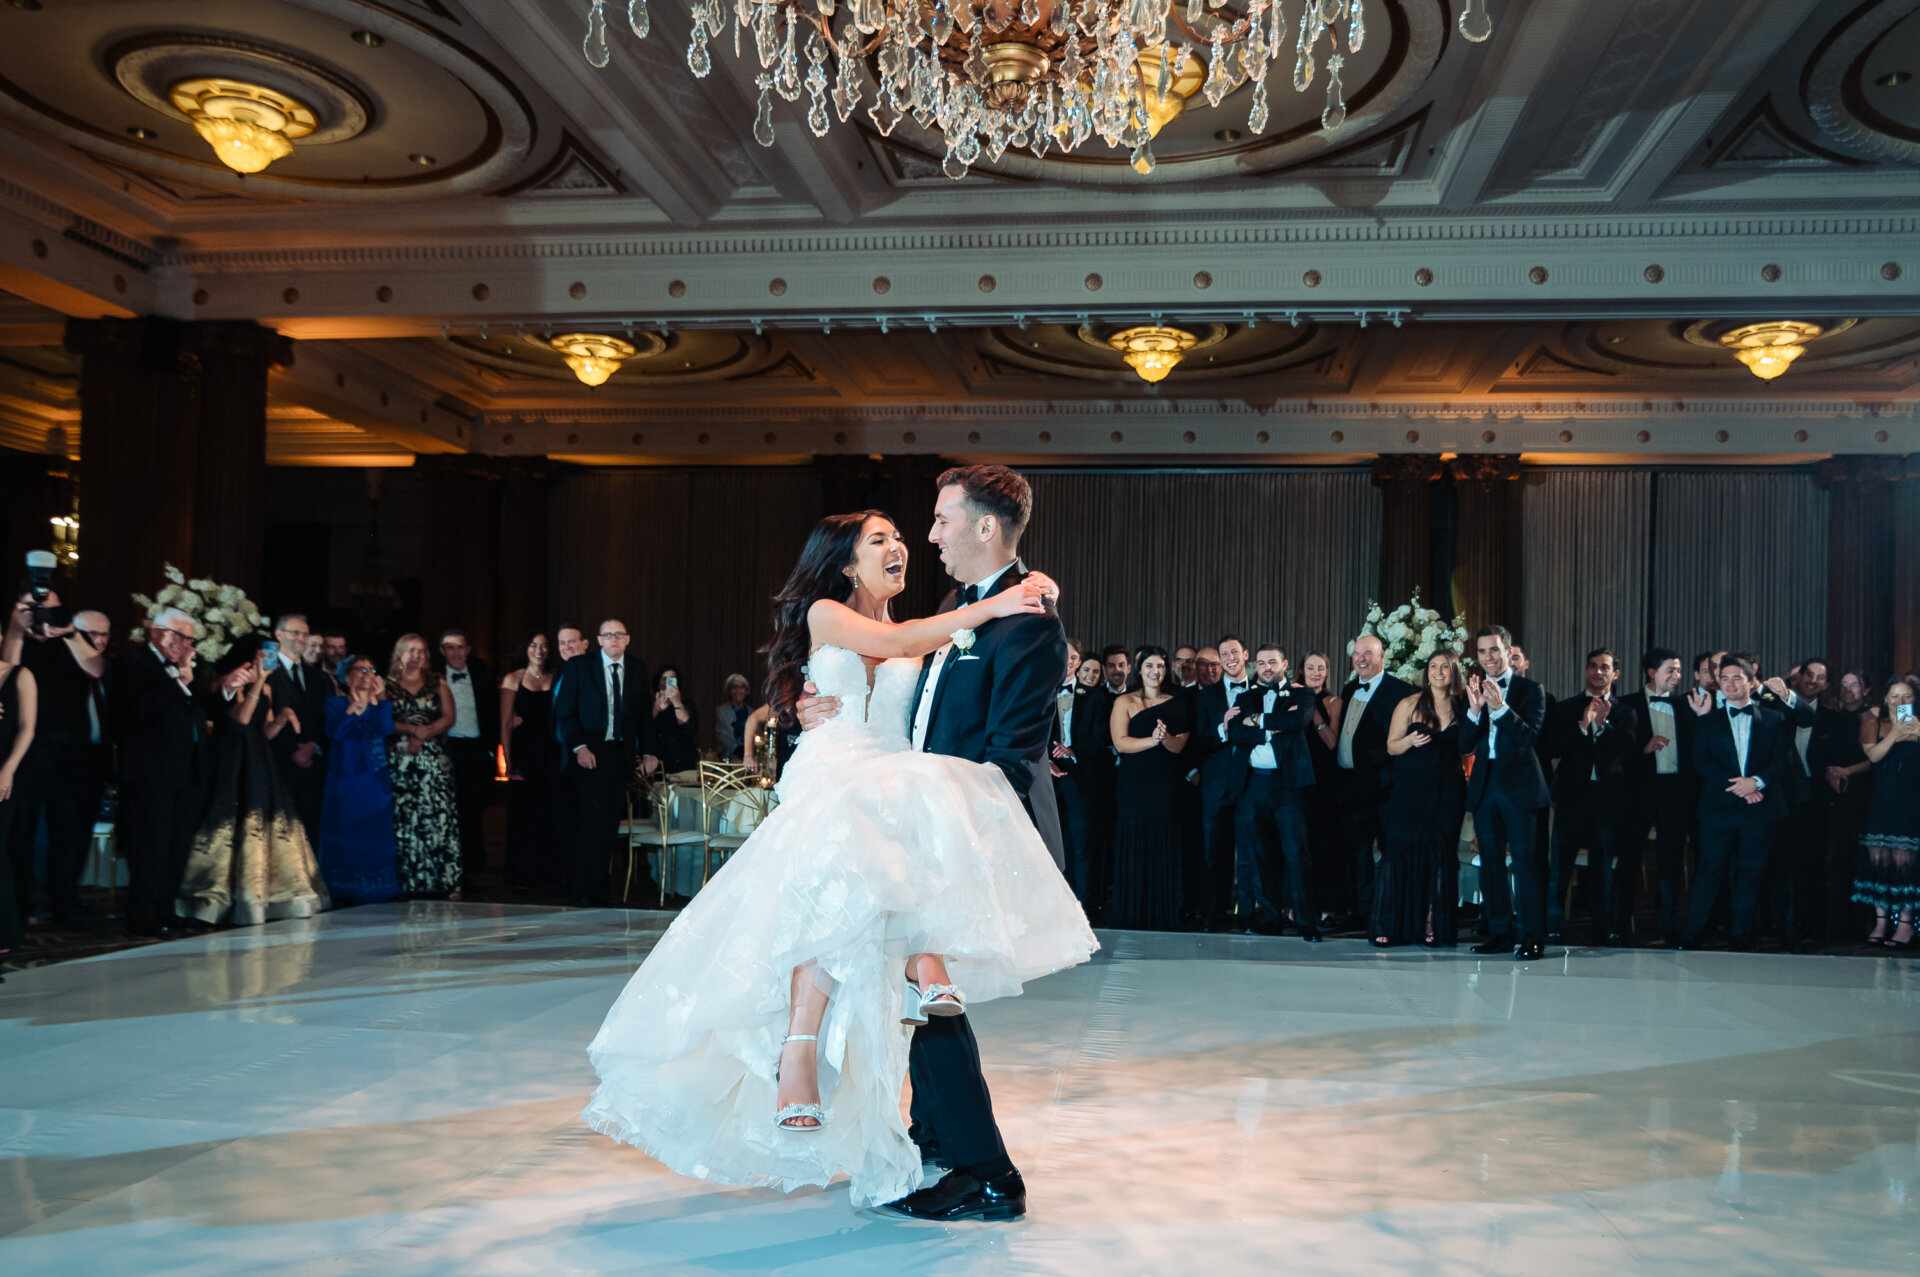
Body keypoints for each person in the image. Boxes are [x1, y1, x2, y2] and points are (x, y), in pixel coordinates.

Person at [583, 497, 1094, 1223]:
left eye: (913, 532)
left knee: (876, 921)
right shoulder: (832, 613)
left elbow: (939, 668)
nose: (908, 543)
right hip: (841, 778)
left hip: (896, 784)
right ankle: (818, 1042)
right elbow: (921, 635)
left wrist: (1014, 590)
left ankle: (921, 1046)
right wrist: (1002, 597)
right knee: (833, 890)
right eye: (880, 538)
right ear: (845, 559)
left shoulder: (926, 627)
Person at [176, 635, 330, 926]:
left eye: (268, 654)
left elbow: (266, 730)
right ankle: (219, 894)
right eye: (261, 654)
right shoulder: (228, 679)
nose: (265, 660)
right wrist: (257, 682)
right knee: (229, 818)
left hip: (259, 757)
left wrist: (283, 718)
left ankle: (263, 891)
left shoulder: (269, 687)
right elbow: (241, 720)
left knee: (265, 818)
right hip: (231, 757)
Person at [4, 594, 108, 930]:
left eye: (50, 605)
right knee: (21, 830)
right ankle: (19, 907)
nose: (43, 612)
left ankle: (64, 906)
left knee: (68, 829)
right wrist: (17, 629)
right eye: (35, 606)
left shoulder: (71, 640)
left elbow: (96, 667)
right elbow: (6, 670)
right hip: (26, 747)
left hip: (70, 748)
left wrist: (69, 631)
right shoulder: (20, 639)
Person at [111, 607, 211, 938]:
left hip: (187, 770)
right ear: (156, 632)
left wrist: (190, 680)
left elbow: (202, 710)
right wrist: (177, 679)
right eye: (180, 636)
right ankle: (142, 916)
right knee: (150, 848)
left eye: (190, 638)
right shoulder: (131, 663)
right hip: (150, 771)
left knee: (177, 847)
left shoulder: (188, 668)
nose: (186, 644)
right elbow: (138, 711)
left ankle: (166, 909)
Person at [1681, 655, 1793, 951]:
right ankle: (1693, 935)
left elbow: (1782, 761)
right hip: (1718, 810)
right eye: (1725, 678)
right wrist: (1739, 786)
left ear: (1750, 681)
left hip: (1760, 810)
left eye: (1736, 678)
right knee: (1708, 873)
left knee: (1750, 875)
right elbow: (1701, 763)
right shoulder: (1706, 722)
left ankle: (1741, 937)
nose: (1730, 684)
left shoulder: (1774, 718)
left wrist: (1756, 782)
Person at [1459, 625, 1552, 960]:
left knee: (1526, 865)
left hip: (1521, 787)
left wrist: (1499, 708)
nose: (1488, 658)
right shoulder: (1474, 688)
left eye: (1494, 650)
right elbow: (1464, 744)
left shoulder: (1531, 690)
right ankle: (1499, 933)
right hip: (1486, 785)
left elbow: (1529, 739)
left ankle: (1531, 937)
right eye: (1482, 652)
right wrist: (1474, 711)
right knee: (1491, 864)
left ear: (1508, 650)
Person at [554, 620, 661, 906]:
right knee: (590, 822)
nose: (613, 639)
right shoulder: (580, 666)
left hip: (618, 755)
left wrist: (650, 752)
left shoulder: (637, 668)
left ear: (627, 639)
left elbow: (641, 718)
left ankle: (600, 889)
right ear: (599, 640)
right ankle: (582, 889)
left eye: (619, 635)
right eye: (608, 635)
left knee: (609, 824)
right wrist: (580, 747)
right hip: (588, 753)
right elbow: (565, 712)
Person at [1543, 649, 1640, 946]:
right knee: (1560, 866)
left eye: (1605, 667)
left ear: (1616, 674)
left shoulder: (1626, 711)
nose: (1598, 672)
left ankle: (1603, 930)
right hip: (1572, 798)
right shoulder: (1566, 707)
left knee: (1603, 869)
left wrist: (1603, 726)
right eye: (1593, 666)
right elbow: (1553, 748)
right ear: (1586, 671)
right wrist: (1583, 726)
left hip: (1608, 800)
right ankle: (1553, 928)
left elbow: (1628, 752)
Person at [1374, 648, 1467, 947]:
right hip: (1409, 792)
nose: (1438, 671)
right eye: (1433, 666)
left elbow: (1469, 747)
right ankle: (1392, 924)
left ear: (1454, 672)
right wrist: (1410, 741)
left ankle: (1433, 926)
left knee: (1441, 858)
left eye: (1445, 667)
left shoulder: (1463, 707)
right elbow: (1390, 747)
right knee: (1399, 855)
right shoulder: (1409, 703)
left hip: (1448, 793)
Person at [1227, 644, 1317, 940]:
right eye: (1262, 662)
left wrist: (1259, 721)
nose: (1266, 667)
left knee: (1295, 853)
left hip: (1289, 784)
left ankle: (1305, 920)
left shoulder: (1302, 693)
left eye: (1273, 662)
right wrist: (1271, 727)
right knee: (1260, 853)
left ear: (1285, 664)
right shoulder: (1245, 696)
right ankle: (1269, 917)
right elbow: (1236, 732)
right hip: (1254, 784)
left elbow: (1298, 722)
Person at [1332, 634, 1414, 930]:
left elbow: (1405, 741)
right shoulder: (1349, 687)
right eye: (1356, 654)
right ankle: (1361, 911)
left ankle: (1393, 912)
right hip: (1351, 785)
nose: (1361, 658)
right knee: (1357, 851)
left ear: (1382, 656)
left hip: (1385, 785)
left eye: (1368, 653)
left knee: (1390, 851)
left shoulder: (1402, 692)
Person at [1108, 645, 1190, 930]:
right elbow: (1120, 743)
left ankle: (1164, 914)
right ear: (1139, 671)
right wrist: (1152, 741)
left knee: (1164, 843)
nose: (1155, 672)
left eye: (1160, 667)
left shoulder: (1177, 702)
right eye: (1150, 667)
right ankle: (1131, 914)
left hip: (1165, 784)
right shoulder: (1124, 701)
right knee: (1133, 841)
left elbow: (1179, 745)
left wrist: (1164, 738)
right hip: (1133, 785)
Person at [1617, 648, 1695, 946]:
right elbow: (1617, 754)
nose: (1677, 676)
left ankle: (1667, 928)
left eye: (1678, 670)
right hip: (1638, 793)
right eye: (1670, 670)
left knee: (1670, 862)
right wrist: (1642, 750)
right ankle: (1620, 927)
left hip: (1675, 792)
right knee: (1629, 861)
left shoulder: (1686, 706)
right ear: (1651, 672)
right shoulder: (1626, 705)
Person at [387, 634, 463, 899]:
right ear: (400, 654)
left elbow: (449, 717)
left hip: (434, 759)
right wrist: (411, 730)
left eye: (421, 651)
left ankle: (447, 879)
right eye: (411, 651)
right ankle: (409, 880)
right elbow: (380, 718)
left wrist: (425, 732)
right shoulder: (386, 683)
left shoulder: (437, 681)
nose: (417, 655)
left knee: (439, 816)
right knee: (406, 818)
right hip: (400, 758)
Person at [320, 656, 399, 905]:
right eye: (361, 669)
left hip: (375, 778)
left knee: (376, 830)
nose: (367, 673)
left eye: (371, 669)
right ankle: (345, 888)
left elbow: (386, 728)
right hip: (346, 777)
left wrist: (377, 698)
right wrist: (355, 705)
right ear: (347, 676)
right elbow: (337, 730)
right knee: (346, 828)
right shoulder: (334, 703)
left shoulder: (381, 704)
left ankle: (379, 887)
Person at [1189, 636, 1256, 931]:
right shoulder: (1205, 696)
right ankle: (1212, 913)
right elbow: (1198, 740)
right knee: (1214, 852)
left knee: (1253, 849)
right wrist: (1222, 728)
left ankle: (1250, 915)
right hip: (1216, 784)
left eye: (1234, 652)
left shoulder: (1262, 690)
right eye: (1223, 653)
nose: (1229, 658)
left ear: (1245, 655)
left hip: (1254, 781)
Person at [1854, 676, 1919, 948]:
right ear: (1885, 699)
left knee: (1905, 862)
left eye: (1906, 697)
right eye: (1894, 696)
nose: (1900, 702)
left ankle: (1905, 924)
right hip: (1880, 800)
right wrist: (1895, 733)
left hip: (1911, 801)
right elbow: (1874, 756)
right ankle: (1880, 921)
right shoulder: (1873, 723)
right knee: (1878, 860)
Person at [267, 613, 331, 853]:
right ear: (278, 634)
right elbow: (261, 720)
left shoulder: (320, 678)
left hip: (312, 766)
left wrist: (313, 745)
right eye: (295, 632)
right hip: (277, 765)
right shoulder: (267, 674)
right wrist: (291, 750)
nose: (301, 638)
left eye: (305, 633)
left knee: (310, 828)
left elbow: (327, 720)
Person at [437, 630, 497, 884]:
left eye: (460, 647)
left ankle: (475, 861)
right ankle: (453, 861)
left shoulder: (481, 674)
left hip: (477, 748)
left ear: (468, 649)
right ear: (442, 651)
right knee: (451, 807)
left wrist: (492, 749)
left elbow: (493, 710)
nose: (456, 652)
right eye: (450, 647)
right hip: (448, 748)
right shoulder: (435, 678)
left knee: (476, 806)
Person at [500, 633, 558, 890]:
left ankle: (545, 875)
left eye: (544, 645)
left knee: (546, 814)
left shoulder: (556, 677)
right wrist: (508, 757)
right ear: (526, 649)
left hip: (550, 754)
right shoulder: (513, 678)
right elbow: (504, 722)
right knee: (521, 814)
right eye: (534, 645)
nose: (539, 650)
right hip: (523, 754)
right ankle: (519, 876)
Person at [1049, 637, 1103, 904]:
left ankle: (1083, 904)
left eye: (1073, 658)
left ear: (1079, 663)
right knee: (1048, 842)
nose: (1068, 662)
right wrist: (1045, 758)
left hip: (1080, 776)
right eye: (1064, 656)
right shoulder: (1040, 691)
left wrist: (1075, 751)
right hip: (1045, 776)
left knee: (1082, 842)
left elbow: (1101, 736)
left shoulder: (1094, 697)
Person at [1300, 651, 1346, 930]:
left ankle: (1327, 907)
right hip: (1297, 780)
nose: (1316, 673)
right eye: (1310, 668)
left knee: (1324, 845)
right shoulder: (1290, 698)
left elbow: (1331, 742)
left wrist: (1314, 714)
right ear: (1300, 671)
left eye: (1321, 668)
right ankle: (1297, 905)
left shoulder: (1334, 702)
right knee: (1298, 846)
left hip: (1325, 783)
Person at [0, 648, 37, 956]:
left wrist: (8, 768)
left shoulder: (19, 676)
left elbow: (27, 728)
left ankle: (4, 935)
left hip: (3, 772)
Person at [651, 665, 700, 777]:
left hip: (683, 763)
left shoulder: (687, 703)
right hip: (659, 764)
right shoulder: (649, 704)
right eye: (664, 679)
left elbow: (690, 729)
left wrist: (676, 702)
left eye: (672, 678)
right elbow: (642, 729)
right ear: (658, 682)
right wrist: (656, 710)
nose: (668, 682)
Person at [713, 673, 753, 762]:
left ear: (746, 690)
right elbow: (724, 737)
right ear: (729, 691)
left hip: (751, 757)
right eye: (734, 687)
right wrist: (740, 751)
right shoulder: (721, 711)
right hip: (730, 758)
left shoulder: (753, 712)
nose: (738, 690)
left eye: (741, 687)